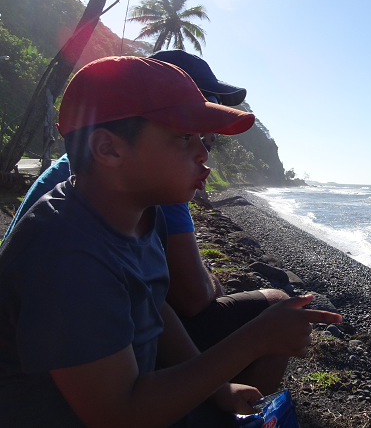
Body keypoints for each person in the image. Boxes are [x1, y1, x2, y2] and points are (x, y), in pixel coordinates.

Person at [0, 56, 342, 427]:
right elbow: (118, 414)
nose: (204, 155)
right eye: (184, 138)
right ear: (108, 149)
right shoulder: (67, 257)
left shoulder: (142, 213)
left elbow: (154, 304)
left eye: (202, 140)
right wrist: (253, 341)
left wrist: (219, 388)